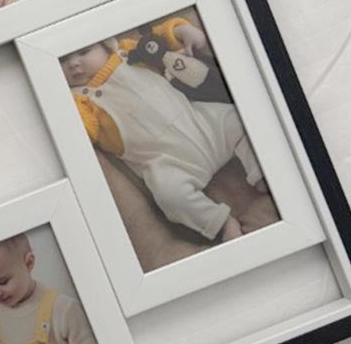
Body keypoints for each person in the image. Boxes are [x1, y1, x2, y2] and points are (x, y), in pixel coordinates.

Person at [60, 18, 267, 244]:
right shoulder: (78, 100)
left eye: (84, 52)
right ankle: (222, 223)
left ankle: (260, 172)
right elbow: (82, 132)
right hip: (165, 161)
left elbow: (157, 40)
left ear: (105, 45)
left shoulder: (127, 52)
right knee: (170, 197)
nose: (74, 64)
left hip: (202, 123)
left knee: (239, 119)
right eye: (62, 61)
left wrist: (182, 31)